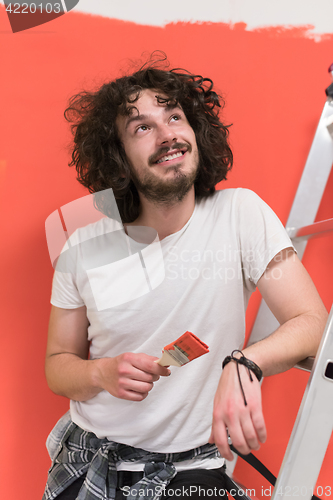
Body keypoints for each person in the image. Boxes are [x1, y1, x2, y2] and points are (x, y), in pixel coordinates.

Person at [43, 56, 328, 500]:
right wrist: (100, 373)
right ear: (118, 158)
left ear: (196, 131)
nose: (167, 134)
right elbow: (58, 364)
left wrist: (244, 362)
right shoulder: (83, 247)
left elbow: (312, 324)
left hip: (190, 471)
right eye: (141, 127)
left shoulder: (240, 213)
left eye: (174, 116)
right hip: (89, 459)